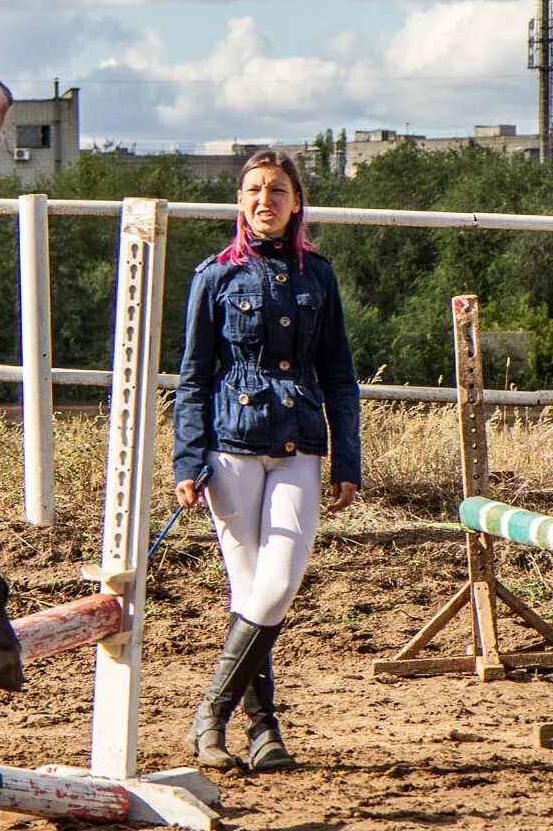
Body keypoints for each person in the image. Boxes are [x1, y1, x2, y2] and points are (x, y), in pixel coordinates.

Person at [171, 148, 361, 771]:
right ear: (240, 200)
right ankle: (264, 731)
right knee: (253, 591)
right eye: (253, 189)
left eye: (277, 190)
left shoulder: (319, 276)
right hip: (230, 450)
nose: (264, 200)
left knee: (277, 585)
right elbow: (195, 378)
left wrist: (346, 460)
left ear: (297, 201)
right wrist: (186, 460)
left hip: (299, 445)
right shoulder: (215, 276)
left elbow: (339, 373)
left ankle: (212, 715)